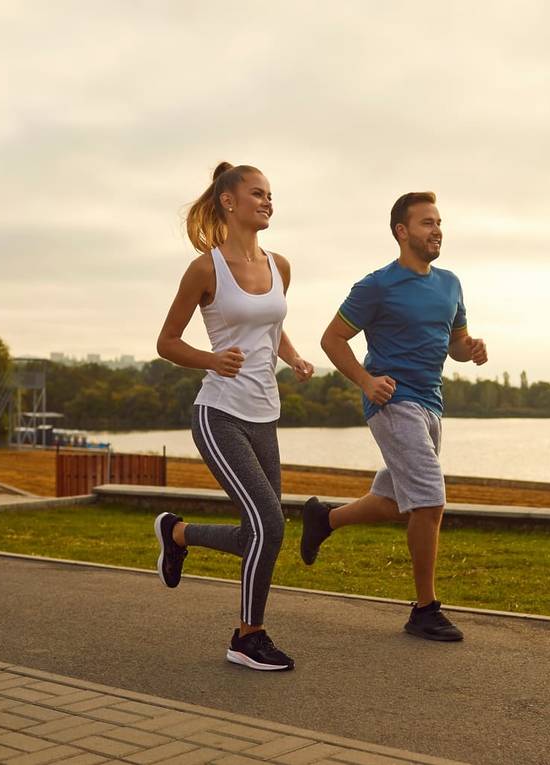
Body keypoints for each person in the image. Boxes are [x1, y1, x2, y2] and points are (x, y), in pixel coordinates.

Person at [302, 191, 487, 641]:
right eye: (426, 223)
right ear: (402, 232)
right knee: (429, 501)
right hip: (392, 403)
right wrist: (367, 382)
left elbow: (454, 344)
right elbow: (332, 339)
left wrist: (471, 350)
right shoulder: (377, 285)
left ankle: (323, 520)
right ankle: (424, 609)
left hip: (431, 404)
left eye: (439, 222)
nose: (437, 230)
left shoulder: (450, 284)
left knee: (393, 501)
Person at [154, 162, 314, 671]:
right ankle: (248, 636)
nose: (268, 202)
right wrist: (211, 359)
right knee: (270, 524)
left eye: (271, 195)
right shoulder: (207, 268)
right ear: (229, 201)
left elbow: (269, 324)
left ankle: (177, 535)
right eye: (258, 193)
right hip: (218, 414)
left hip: (265, 414)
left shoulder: (279, 265)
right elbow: (167, 342)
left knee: (259, 531)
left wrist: (293, 357)